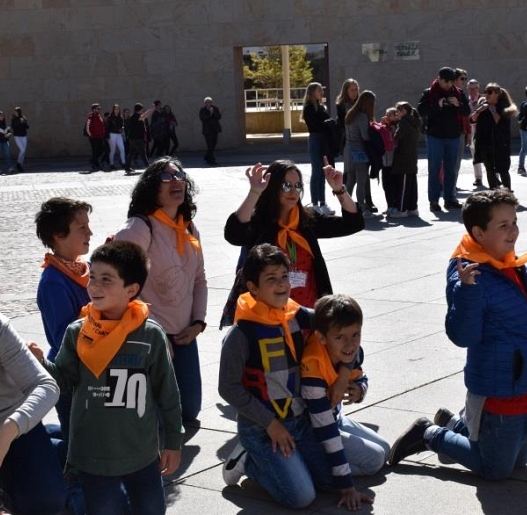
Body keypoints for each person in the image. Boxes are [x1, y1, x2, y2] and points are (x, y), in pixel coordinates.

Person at [389, 190, 527, 480]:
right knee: (495, 470)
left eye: (514, 222)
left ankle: (456, 425)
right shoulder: (467, 271)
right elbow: (463, 335)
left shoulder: (514, 265)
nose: (513, 231)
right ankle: (429, 434)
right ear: (479, 233)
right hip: (497, 390)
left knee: (519, 463)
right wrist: (467, 292)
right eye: (503, 225)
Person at [32, 241, 182, 515]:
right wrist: (41, 362)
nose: (95, 285)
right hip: (92, 456)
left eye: (106, 279)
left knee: (151, 509)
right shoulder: (77, 332)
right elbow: (64, 381)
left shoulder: (150, 335)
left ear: (132, 290)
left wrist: (173, 441)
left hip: (142, 454)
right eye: (93, 277)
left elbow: (167, 393)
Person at [218, 244, 334, 509]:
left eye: (284, 276)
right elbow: (228, 388)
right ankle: (248, 460)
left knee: (330, 481)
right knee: (302, 498)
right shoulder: (241, 333)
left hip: (299, 421)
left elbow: (335, 322)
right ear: (253, 288)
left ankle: (293, 463)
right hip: (261, 428)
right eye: (271, 279)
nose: (281, 284)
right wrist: (270, 424)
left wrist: (350, 373)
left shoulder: (297, 315)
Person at [115, 157, 207, 423]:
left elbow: (200, 279)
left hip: (184, 334)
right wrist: (153, 331)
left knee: (189, 411)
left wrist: (198, 323)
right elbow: (118, 288)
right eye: (165, 178)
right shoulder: (139, 228)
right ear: (151, 187)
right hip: (145, 334)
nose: (175, 181)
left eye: (179, 175)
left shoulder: (189, 227)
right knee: (143, 414)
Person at [224, 159, 364, 310]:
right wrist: (255, 191)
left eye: (298, 186)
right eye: (286, 186)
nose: (293, 192)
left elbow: (353, 224)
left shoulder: (307, 220)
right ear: (273, 187)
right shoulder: (260, 222)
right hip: (269, 316)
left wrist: (339, 189)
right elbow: (234, 234)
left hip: (308, 313)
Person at [301, 294, 388, 509]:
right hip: (316, 431)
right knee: (375, 460)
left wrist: (359, 391)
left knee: (385, 448)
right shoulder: (313, 372)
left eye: (356, 335)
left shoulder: (350, 350)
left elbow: (360, 376)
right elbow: (326, 433)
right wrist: (346, 486)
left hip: (336, 418)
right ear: (322, 338)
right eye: (340, 337)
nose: (350, 344)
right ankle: (302, 465)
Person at [0, 284, 67, 515]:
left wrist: (6, 432)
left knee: (47, 501)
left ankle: (61, 445)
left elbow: (46, 386)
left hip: (9, 424)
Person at [35, 197, 92, 441]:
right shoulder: (53, 282)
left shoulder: (85, 267)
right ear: (59, 235)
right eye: (82, 228)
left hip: (94, 369)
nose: (90, 232)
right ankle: (39, 442)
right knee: (78, 446)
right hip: (71, 376)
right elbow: (64, 338)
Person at [417, 66, 470, 212]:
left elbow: (467, 111)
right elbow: (421, 110)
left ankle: (450, 198)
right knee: (434, 169)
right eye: (445, 81)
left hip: (453, 136)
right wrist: (437, 105)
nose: (448, 85)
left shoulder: (458, 93)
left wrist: (458, 104)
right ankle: (434, 200)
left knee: (451, 169)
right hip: (435, 136)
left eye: (450, 82)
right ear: (439, 79)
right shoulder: (429, 93)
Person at [472, 84, 517, 192]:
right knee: (489, 170)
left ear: (497, 94)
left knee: (503, 170)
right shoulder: (483, 106)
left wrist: (491, 108)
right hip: (485, 143)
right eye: (486, 91)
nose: (486, 94)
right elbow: (472, 119)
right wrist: (479, 110)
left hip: (500, 144)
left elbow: (498, 121)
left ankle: (508, 193)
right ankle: (493, 193)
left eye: (490, 92)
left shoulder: (504, 107)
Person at [301, 82, 336, 214]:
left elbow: (327, 123)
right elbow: (315, 125)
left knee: (323, 171)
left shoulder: (321, 107)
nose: (322, 92)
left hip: (323, 140)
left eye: (322, 90)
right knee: (317, 171)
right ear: (312, 92)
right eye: (319, 90)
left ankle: (322, 203)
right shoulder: (309, 107)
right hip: (315, 139)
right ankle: (315, 204)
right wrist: (327, 124)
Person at [344, 90, 376, 217]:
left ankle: (346, 207)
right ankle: (362, 208)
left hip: (348, 150)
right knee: (361, 180)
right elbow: (365, 136)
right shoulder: (362, 116)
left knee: (350, 181)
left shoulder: (350, 113)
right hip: (359, 151)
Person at [388, 102, 421, 218]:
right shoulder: (414, 121)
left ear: (403, 111)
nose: (396, 113)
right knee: (412, 186)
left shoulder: (404, 122)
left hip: (403, 158)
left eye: (398, 111)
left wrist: (392, 133)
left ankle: (401, 210)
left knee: (403, 185)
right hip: (412, 157)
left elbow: (397, 137)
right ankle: (412, 208)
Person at [453, 68, 472, 194]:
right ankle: (448, 184)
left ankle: (452, 184)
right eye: (462, 78)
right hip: (448, 132)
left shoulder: (461, 94)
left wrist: (468, 132)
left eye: (465, 78)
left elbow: (466, 114)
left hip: (460, 131)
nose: (464, 81)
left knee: (457, 160)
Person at [124, 103, 153, 173]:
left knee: (131, 153)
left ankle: (127, 167)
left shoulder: (134, 116)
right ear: (139, 109)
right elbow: (144, 116)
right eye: (142, 109)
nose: (143, 110)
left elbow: (143, 116)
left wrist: (150, 110)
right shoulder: (136, 116)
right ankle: (149, 168)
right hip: (137, 139)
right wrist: (151, 109)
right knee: (143, 153)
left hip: (133, 138)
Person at [379, 107, 398, 214]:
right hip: (384, 161)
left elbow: (394, 138)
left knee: (393, 184)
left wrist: (388, 127)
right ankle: (389, 205)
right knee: (386, 185)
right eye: (386, 115)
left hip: (393, 161)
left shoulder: (395, 127)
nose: (386, 117)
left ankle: (395, 205)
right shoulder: (383, 127)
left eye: (389, 115)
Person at [467, 79, 484, 186]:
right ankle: (478, 178)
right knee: (474, 153)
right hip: (471, 129)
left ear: (478, 88)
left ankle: (495, 177)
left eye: (475, 88)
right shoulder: (464, 99)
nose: (473, 90)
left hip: (482, 129)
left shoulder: (483, 99)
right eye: (470, 88)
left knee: (487, 152)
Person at [199, 96, 222, 165]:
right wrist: (210, 113)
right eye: (206, 102)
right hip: (207, 131)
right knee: (210, 145)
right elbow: (203, 118)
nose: (208, 103)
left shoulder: (215, 108)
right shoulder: (202, 110)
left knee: (214, 143)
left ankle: (207, 156)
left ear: (211, 103)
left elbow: (219, 116)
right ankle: (212, 160)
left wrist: (213, 112)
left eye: (209, 102)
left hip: (215, 129)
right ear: (204, 103)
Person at [85, 103, 106, 171]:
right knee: (95, 151)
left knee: (102, 149)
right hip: (93, 137)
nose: (99, 110)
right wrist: (90, 135)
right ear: (94, 109)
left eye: (100, 108)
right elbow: (87, 126)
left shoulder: (99, 116)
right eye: (98, 109)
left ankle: (93, 160)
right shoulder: (90, 116)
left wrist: (103, 133)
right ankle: (95, 165)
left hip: (99, 136)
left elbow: (102, 125)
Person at [106, 104, 125, 170]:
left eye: (118, 109)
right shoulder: (110, 117)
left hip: (119, 134)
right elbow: (107, 127)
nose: (117, 110)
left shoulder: (121, 117)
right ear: (113, 110)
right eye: (115, 109)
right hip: (112, 134)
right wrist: (107, 137)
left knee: (122, 148)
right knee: (113, 150)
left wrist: (122, 128)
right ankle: (112, 164)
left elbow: (122, 125)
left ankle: (123, 163)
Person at [11, 107, 29, 172]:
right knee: (22, 150)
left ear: (19, 112)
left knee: (23, 152)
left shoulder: (23, 118)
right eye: (14, 112)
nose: (15, 113)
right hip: (17, 136)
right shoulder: (14, 119)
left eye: (16, 111)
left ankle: (20, 165)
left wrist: (24, 122)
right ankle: (18, 163)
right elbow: (13, 127)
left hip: (24, 136)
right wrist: (19, 122)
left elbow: (27, 127)